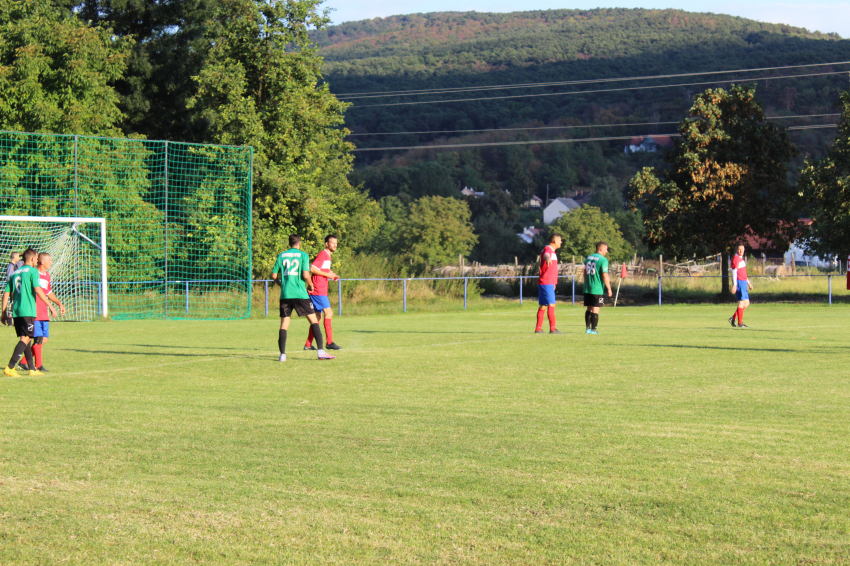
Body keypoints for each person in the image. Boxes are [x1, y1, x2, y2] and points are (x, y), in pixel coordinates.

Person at [271, 234, 335, 362]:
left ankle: (282, 355)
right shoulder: (303, 255)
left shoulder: (281, 255)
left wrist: (281, 284)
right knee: (313, 320)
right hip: (300, 294)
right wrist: (311, 285)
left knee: (284, 324)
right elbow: (306, 274)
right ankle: (321, 351)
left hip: (285, 294)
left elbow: (273, 276)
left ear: (289, 243)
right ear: (299, 244)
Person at [1, 249, 51, 377]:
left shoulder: (15, 273)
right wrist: (50, 304)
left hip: (17, 311)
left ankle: (32, 368)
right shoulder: (33, 271)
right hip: (28, 310)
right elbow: (38, 289)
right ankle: (10, 367)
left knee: (27, 338)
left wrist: (3, 312)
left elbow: (6, 293)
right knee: (25, 338)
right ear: (33, 259)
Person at [29, 253, 66, 372]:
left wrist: (59, 303)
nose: (51, 263)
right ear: (42, 262)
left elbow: (48, 292)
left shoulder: (47, 275)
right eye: (49, 261)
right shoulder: (33, 274)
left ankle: (24, 362)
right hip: (34, 311)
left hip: (44, 311)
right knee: (38, 339)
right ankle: (38, 365)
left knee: (44, 339)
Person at [305, 235, 342, 351]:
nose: (335, 245)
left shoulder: (328, 257)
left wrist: (332, 275)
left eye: (336, 243)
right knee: (329, 313)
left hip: (319, 290)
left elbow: (321, 270)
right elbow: (312, 268)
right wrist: (328, 275)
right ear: (327, 244)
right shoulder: (323, 254)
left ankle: (308, 344)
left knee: (317, 318)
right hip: (318, 290)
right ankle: (329, 342)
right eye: (332, 243)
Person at [535, 233, 562, 334]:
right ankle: (553, 329)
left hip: (546, 282)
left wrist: (554, 282)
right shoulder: (548, 250)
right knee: (552, 304)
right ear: (555, 240)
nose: (561, 242)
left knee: (543, 305)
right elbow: (546, 255)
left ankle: (538, 329)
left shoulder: (552, 251)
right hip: (547, 282)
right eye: (560, 240)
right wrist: (548, 259)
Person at [583, 241, 613, 334]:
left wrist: (587, 282)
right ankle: (593, 330)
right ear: (601, 249)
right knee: (596, 308)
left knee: (589, 308)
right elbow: (605, 275)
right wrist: (609, 288)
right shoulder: (603, 260)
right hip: (597, 288)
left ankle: (588, 329)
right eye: (606, 249)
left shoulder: (588, 258)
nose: (606, 251)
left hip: (587, 287)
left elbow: (584, 273)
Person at [729, 244, 753, 328]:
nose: (741, 251)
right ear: (736, 250)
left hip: (743, 282)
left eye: (742, 249)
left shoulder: (741, 258)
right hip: (739, 282)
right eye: (739, 249)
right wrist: (735, 285)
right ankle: (740, 323)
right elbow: (734, 272)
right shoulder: (735, 259)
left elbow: (743, 273)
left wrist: (748, 283)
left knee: (746, 302)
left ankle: (733, 318)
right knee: (741, 302)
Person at [4, 252, 22, 327]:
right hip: (12, 288)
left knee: (15, 303)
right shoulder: (10, 266)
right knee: (12, 303)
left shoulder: (15, 265)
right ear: (14, 257)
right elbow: (9, 278)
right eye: (18, 256)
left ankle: (14, 321)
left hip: (15, 287)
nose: (19, 258)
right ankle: (10, 321)